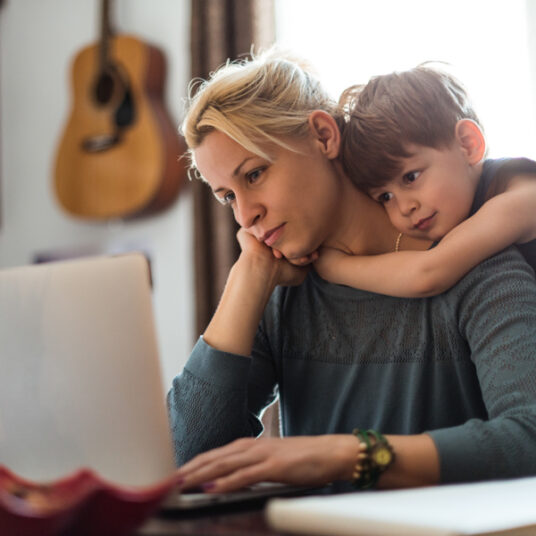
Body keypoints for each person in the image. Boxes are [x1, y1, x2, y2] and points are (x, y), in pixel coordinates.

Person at [167, 48, 536, 494]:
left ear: (323, 135)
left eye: (254, 175)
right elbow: (190, 461)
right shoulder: (281, 289)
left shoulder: (478, 261)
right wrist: (247, 276)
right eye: (227, 197)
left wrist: (346, 455)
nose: (246, 215)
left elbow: (528, 437)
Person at [313, 65, 536, 297]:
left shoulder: (522, 196)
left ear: (468, 144)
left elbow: (427, 275)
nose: (404, 208)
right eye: (385, 197)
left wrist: (333, 266)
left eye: (410, 177)